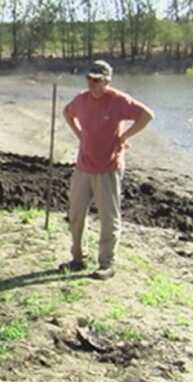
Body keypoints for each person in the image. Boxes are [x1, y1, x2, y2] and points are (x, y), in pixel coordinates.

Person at [62, 60, 155, 280]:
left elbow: (147, 115)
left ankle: (106, 263)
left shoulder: (118, 100)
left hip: (108, 167)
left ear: (107, 81)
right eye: (89, 79)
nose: (92, 83)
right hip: (83, 166)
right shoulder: (81, 100)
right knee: (75, 215)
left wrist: (124, 137)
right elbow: (67, 113)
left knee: (108, 218)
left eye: (97, 80)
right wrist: (80, 135)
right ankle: (77, 258)